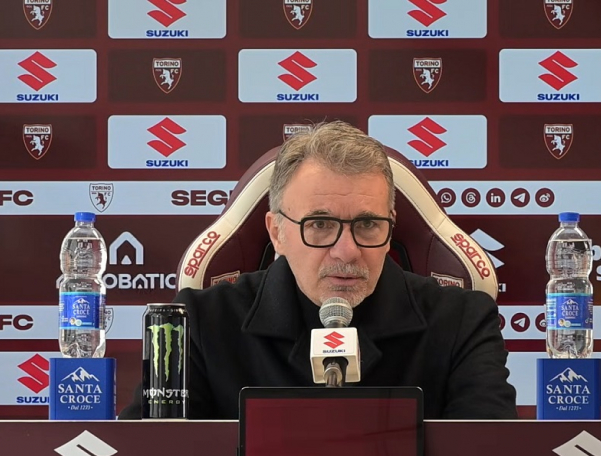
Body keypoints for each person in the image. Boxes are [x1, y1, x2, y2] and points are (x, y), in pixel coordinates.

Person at [119, 121, 517, 420]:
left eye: (367, 224)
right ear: (277, 232)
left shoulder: (462, 322)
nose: (347, 251)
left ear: (390, 229)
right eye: (321, 225)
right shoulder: (200, 323)